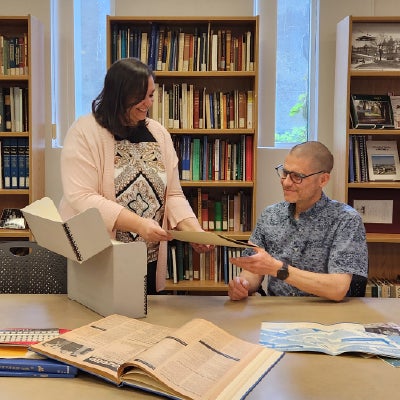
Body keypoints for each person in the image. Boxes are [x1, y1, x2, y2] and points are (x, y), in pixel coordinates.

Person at [59, 57, 210, 294]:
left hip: (144, 258)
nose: (147, 103)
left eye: (151, 95)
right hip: (97, 256)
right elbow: (82, 197)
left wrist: (193, 230)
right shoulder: (84, 132)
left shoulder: (158, 133)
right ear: (119, 95)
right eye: (141, 97)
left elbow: (173, 194)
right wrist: (139, 225)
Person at [228, 141, 368, 302]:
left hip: (326, 317)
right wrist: (243, 285)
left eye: (297, 177)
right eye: (285, 173)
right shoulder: (270, 215)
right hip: (277, 315)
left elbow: (338, 288)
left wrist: (278, 269)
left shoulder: (346, 220)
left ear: (323, 180)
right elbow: (253, 269)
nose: (286, 182)